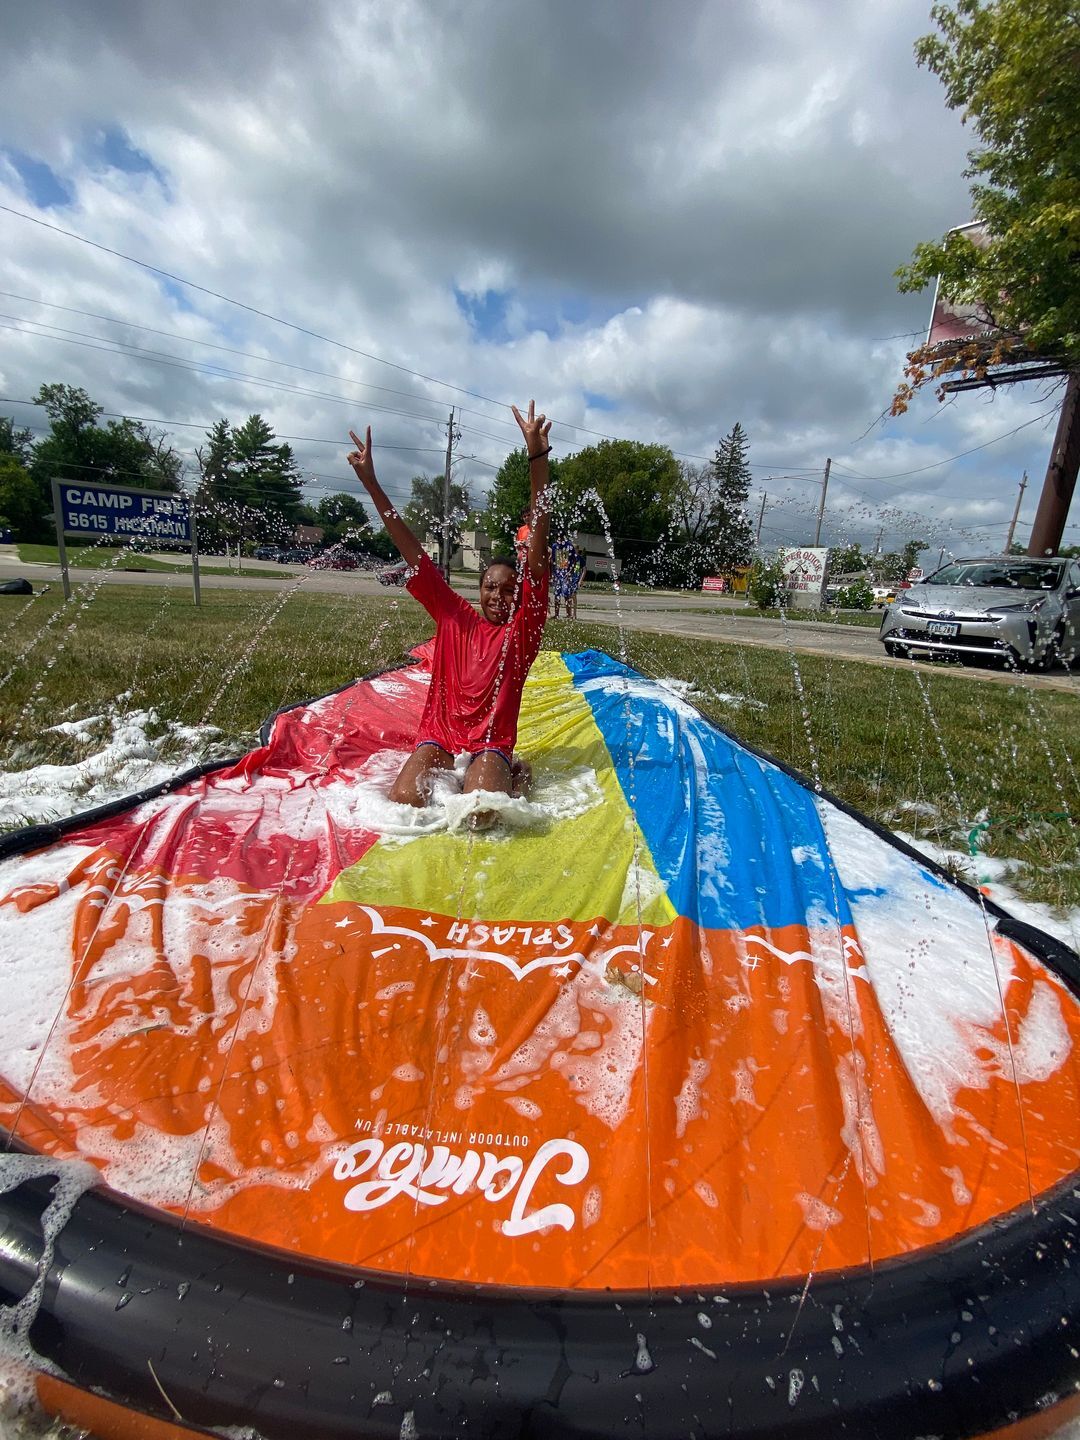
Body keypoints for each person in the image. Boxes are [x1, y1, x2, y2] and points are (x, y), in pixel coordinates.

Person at [346, 402, 552, 820]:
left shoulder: (523, 629)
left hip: (491, 740)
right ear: (478, 590)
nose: (499, 596)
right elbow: (411, 549)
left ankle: (513, 772)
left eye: (510, 589)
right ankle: (478, 771)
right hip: (439, 735)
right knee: (404, 804)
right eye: (490, 587)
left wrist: (537, 458)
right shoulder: (453, 615)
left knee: (480, 813)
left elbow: (539, 539)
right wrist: (372, 485)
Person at [550, 534, 583, 620]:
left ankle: (569, 614)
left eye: (561, 539)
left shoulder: (569, 546)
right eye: (558, 539)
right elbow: (553, 560)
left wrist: (570, 572)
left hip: (566, 573)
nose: (559, 541)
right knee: (557, 594)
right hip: (557, 573)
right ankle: (556, 614)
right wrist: (552, 573)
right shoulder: (554, 546)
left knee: (566, 593)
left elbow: (575, 560)